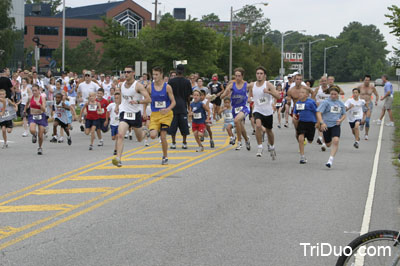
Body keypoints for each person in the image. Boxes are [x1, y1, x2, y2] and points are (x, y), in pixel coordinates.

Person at [112, 66, 151, 167]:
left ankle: (145, 132)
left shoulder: (138, 86)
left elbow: (148, 99)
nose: (126, 74)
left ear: (133, 73)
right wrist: (117, 106)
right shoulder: (121, 85)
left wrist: (137, 101)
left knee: (139, 139)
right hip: (124, 113)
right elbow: (120, 97)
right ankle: (118, 158)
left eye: (128, 72)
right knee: (120, 135)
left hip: (135, 115)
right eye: (125, 72)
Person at [248, 66, 280, 159]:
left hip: (268, 111)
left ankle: (272, 146)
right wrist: (249, 98)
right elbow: (250, 94)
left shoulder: (268, 85)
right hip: (257, 109)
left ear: (264, 75)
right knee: (258, 125)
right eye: (257, 73)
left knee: (269, 131)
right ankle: (260, 146)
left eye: (261, 73)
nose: (259, 75)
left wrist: (269, 92)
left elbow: (278, 96)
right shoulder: (252, 85)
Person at [147, 66, 176, 165]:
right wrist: (143, 111)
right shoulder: (150, 87)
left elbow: (173, 102)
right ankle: (151, 130)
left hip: (166, 115)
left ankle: (165, 156)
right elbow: (147, 100)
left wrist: (168, 109)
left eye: (156, 74)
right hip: (155, 115)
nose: (154, 76)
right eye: (153, 74)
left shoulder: (167, 87)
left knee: (163, 136)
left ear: (161, 75)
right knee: (153, 136)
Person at [220, 67, 251, 151]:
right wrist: (225, 93)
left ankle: (239, 142)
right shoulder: (231, 85)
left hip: (244, 107)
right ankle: (247, 140)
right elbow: (222, 96)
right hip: (235, 108)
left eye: (239, 76)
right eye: (236, 76)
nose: (237, 78)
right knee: (241, 126)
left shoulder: (246, 85)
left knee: (237, 121)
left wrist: (250, 97)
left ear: (242, 76)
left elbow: (252, 90)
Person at [316, 86, 347, 168]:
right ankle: (323, 140)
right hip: (326, 125)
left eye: (335, 94)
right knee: (328, 144)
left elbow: (344, 114)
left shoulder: (340, 104)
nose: (333, 96)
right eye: (332, 94)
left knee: (336, 140)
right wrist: (322, 123)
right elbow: (318, 112)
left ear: (338, 94)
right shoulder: (326, 102)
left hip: (336, 125)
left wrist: (341, 120)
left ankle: (330, 160)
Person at [168, 64, 192, 149]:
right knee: (184, 125)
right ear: (183, 71)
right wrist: (189, 106)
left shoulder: (171, 81)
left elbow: (168, 94)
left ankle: (173, 142)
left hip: (173, 106)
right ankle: (184, 142)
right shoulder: (187, 82)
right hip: (182, 106)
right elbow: (189, 96)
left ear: (176, 71)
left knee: (173, 125)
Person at [293, 87, 317, 164]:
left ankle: (307, 139)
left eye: (303, 92)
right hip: (302, 122)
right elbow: (295, 112)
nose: (300, 94)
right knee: (300, 138)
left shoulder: (311, 102)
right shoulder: (298, 103)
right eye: (300, 92)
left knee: (310, 140)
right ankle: (302, 156)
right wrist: (294, 115)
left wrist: (318, 122)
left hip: (311, 123)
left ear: (307, 95)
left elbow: (316, 112)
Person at [24, 84, 48, 155]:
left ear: (39, 90)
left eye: (35, 90)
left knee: (40, 135)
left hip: (41, 116)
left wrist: (39, 105)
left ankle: (40, 147)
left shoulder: (42, 98)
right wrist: (24, 110)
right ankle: (34, 134)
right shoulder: (30, 97)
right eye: (33, 90)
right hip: (33, 116)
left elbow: (44, 110)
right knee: (32, 130)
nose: (34, 92)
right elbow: (27, 104)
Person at [358, 75, 379, 140]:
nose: (367, 81)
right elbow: (355, 94)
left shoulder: (372, 87)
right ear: (364, 80)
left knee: (367, 120)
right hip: (361, 104)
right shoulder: (360, 87)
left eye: (368, 80)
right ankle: (361, 123)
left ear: (370, 81)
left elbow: (377, 95)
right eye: (365, 80)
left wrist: (376, 101)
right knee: (362, 120)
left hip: (369, 104)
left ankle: (366, 134)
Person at [314, 76, 330, 148]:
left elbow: (335, 98)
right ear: (320, 82)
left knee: (324, 124)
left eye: (325, 81)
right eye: (322, 81)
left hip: (327, 110)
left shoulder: (330, 89)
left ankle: (323, 141)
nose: (324, 82)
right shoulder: (318, 89)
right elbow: (312, 97)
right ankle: (320, 138)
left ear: (327, 81)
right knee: (319, 124)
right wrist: (316, 102)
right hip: (319, 109)